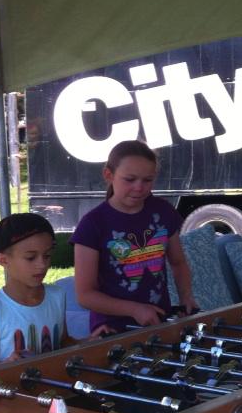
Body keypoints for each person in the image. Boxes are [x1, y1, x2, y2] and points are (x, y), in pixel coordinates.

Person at [72, 140, 198, 332]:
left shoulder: (163, 211)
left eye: (147, 180)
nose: (139, 187)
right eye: (130, 179)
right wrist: (135, 310)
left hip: (157, 322)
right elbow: (85, 295)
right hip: (111, 330)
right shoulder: (93, 224)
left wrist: (186, 297)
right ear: (108, 175)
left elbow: (178, 262)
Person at [0, 213, 107, 368]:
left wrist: (88, 341)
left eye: (47, 256)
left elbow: (63, 342)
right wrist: (8, 364)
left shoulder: (57, 296)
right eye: (31, 258)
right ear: (3, 260)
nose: (42, 264)